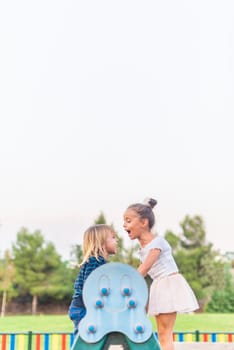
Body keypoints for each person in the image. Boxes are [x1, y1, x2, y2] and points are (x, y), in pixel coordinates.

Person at [123, 198, 199, 350]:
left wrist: (124, 286)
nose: (124, 225)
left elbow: (143, 270)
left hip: (167, 284)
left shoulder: (157, 244)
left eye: (128, 220)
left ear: (144, 223)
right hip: (160, 285)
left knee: (165, 333)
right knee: (163, 333)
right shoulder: (143, 249)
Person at [68, 224, 118, 336]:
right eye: (113, 237)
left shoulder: (99, 262)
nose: (117, 240)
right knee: (83, 342)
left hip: (86, 307)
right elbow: (90, 287)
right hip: (84, 309)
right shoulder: (95, 261)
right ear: (101, 242)